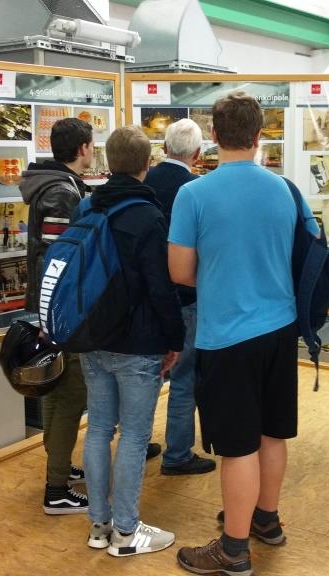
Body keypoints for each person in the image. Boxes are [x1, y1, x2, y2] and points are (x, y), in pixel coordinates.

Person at [169, 91, 319, 575]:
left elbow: (180, 271)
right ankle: (265, 520)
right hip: (281, 329)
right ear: (259, 136)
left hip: (227, 333)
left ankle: (233, 549)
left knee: (237, 446)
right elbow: (309, 252)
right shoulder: (285, 190)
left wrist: (221, 278)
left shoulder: (194, 194)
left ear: (214, 136)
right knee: (272, 432)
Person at [80, 125, 185, 557]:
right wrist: (175, 339)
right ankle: (125, 533)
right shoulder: (147, 216)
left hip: (92, 338)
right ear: (146, 164)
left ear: (109, 161)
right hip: (138, 344)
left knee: (98, 430)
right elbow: (161, 288)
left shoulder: (87, 207)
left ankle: (98, 526)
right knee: (135, 437)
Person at [19, 117, 93, 516]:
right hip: (63, 311)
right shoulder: (62, 194)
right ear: (83, 148)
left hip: (52, 308)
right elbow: (58, 258)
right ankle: (57, 488)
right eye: (91, 145)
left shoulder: (57, 186)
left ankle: (59, 466)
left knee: (56, 387)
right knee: (71, 394)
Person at [143, 118, 216, 477]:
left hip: (145, 298)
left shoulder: (144, 182)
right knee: (184, 378)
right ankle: (177, 454)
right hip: (186, 296)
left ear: (164, 148)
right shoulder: (199, 190)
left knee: (145, 376)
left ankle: (138, 443)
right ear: (198, 153)